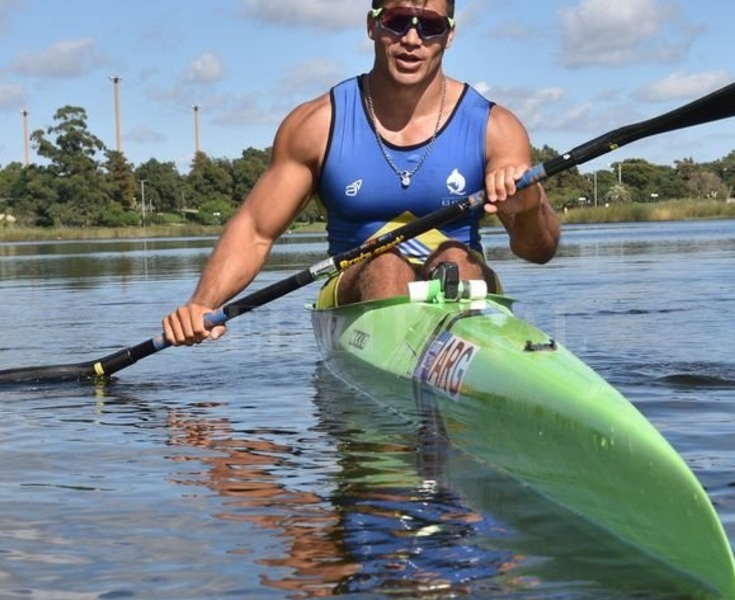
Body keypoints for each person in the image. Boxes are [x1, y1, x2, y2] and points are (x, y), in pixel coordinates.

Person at [162, 0, 560, 346]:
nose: (412, 38)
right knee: (387, 265)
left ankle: (457, 362)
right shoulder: (317, 126)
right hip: (353, 290)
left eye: (431, 26)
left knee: (456, 257)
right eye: (398, 20)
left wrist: (529, 207)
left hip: (463, 282)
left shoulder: (496, 128)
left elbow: (538, 251)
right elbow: (255, 231)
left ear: (450, 36)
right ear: (372, 25)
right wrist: (202, 304)